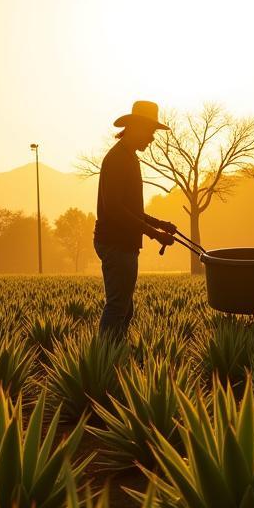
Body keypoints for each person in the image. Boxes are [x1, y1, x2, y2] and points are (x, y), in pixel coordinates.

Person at [94, 101, 176, 338]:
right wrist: (153, 233)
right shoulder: (118, 159)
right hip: (116, 243)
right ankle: (106, 358)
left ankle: (115, 354)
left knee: (124, 309)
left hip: (121, 242)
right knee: (118, 308)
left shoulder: (128, 157)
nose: (151, 139)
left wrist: (160, 224)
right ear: (136, 128)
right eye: (150, 132)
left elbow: (130, 208)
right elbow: (115, 209)